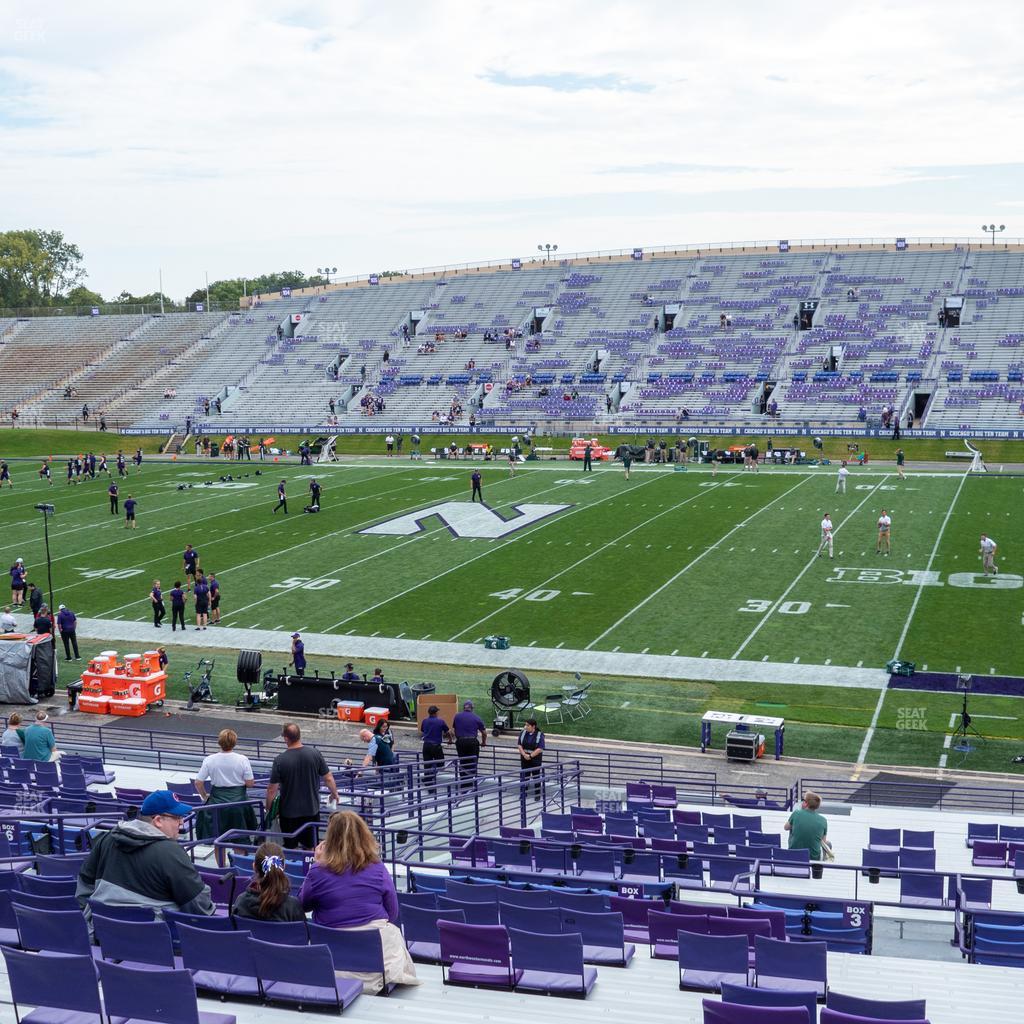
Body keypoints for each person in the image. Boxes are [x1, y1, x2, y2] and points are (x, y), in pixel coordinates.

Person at [299, 811, 419, 992]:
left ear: (330, 839)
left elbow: (302, 905)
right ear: (363, 835)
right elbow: (392, 913)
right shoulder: (378, 867)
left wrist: (316, 864)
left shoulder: (317, 871)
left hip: (333, 965)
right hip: (376, 964)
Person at [76, 790, 216, 921]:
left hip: (103, 934)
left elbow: (84, 885)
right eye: (176, 817)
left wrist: (89, 919)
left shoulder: (107, 839)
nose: (181, 822)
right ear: (158, 820)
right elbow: (199, 906)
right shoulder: (171, 852)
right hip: (157, 940)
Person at [265, 723, 338, 850]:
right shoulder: (315, 753)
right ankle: (310, 869)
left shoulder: (279, 760)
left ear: (286, 738)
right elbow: (328, 778)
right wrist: (334, 793)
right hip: (311, 810)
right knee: (311, 847)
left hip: (288, 814)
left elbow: (272, 790)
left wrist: (269, 809)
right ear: (299, 735)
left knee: (290, 848)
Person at [193, 729, 257, 840]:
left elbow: (198, 782)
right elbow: (250, 783)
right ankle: (238, 857)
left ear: (219, 742)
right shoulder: (242, 759)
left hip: (217, 804)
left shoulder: (209, 760)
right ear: (234, 742)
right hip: (239, 804)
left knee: (218, 838)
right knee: (240, 838)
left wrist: (204, 796)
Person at [232, 841, 305, 922]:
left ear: (254, 867)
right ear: (283, 867)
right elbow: (303, 933)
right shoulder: (293, 907)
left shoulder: (241, 902)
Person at [785, 790, 829, 860]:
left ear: (806, 803)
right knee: (828, 844)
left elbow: (786, 827)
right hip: (813, 857)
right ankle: (822, 865)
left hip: (794, 854)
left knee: (791, 828)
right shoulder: (823, 820)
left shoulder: (796, 813)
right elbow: (823, 841)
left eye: (803, 800)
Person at [452, 699, 487, 788]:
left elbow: (453, 730)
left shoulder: (457, 716)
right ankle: (471, 782)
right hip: (472, 742)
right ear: (472, 708)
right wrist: (483, 742)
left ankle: (464, 782)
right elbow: (484, 732)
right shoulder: (476, 717)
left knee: (463, 761)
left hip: (460, 742)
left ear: (464, 708)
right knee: (472, 761)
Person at [420, 705, 452, 788]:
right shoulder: (440, 721)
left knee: (427, 764)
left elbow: (423, 730)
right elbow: (447, 732)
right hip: (436, 746)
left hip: (426, 745)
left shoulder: (425, 721)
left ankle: (427, 778)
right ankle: (429, 779)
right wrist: (450, 740)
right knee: (440, 763)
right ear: (436, 713)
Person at [517, 718, 545, 799]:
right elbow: (519, 745)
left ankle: (537, 795)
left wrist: (530, 756)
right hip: (524, 759)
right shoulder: (522, 733)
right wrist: (524, 754)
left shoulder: (540, 735)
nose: (525, 727)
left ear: (533, 726)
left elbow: (540, 748)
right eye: (525, 725)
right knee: (524, 777)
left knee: (536, 777)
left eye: (527, 725)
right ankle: (523, 793)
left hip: (535, 760)